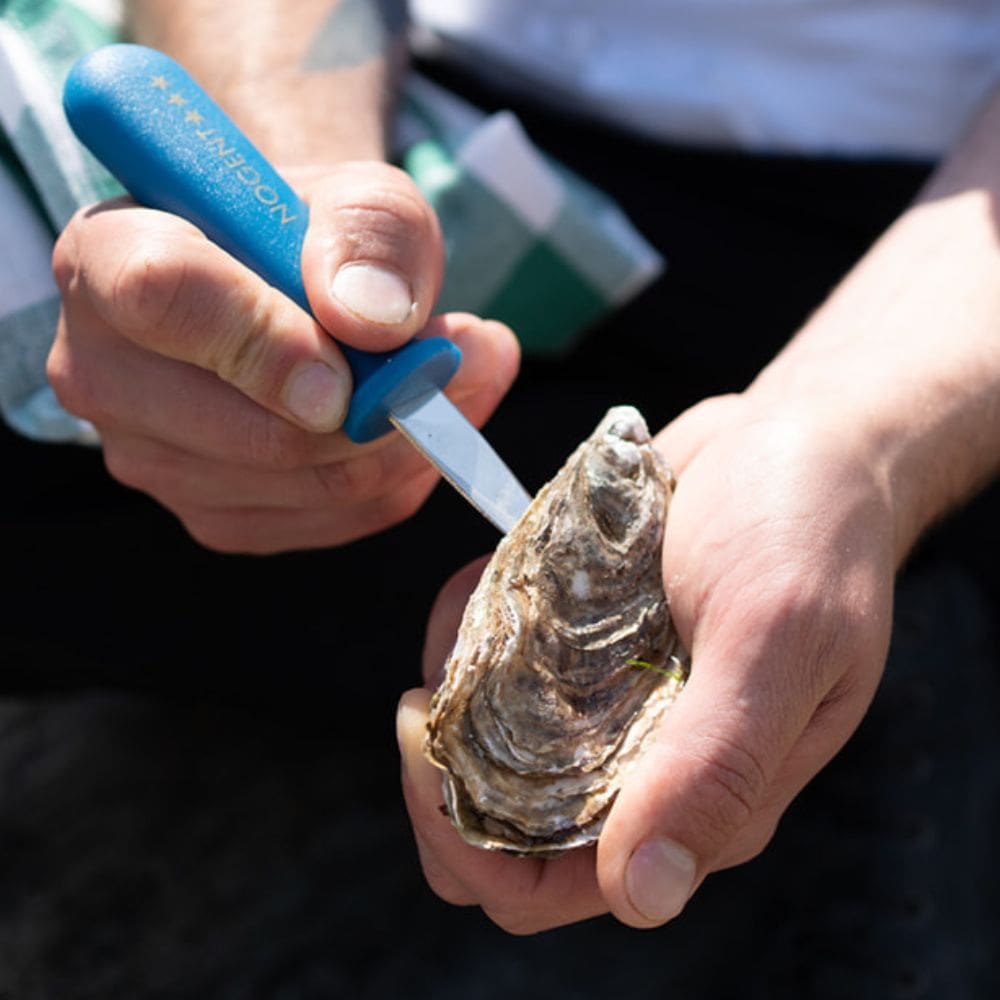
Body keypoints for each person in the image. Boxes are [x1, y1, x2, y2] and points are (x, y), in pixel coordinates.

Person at [5, 0, 1000, 994]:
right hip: (433, 135)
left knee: (769, 561)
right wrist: (293, 212)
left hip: (908, 263)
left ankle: (879, 614)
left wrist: (865, 443)